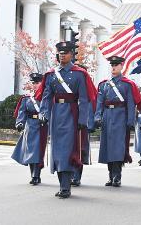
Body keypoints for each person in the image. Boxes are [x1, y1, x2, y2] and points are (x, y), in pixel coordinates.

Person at [35, 41, 96, 199]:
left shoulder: (79, 74)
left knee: (67, 150)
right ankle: (63, 184)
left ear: (72, 55)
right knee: (57, 150)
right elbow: (47, 97)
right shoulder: (51, 75)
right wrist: (44, 114)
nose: (62, 55)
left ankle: (65, 187)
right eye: (60, 52)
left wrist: (83, 119)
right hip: (56, 115)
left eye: (66, 52)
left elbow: (83, 99)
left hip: (72, 114)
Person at [94, 56, 141, 187]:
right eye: (112, 65)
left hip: (121, 117)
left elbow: (131, 104)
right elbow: (100, 102)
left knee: (118, 148)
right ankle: (110, 176)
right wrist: (97, 116)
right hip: (108, 116)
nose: (113, 67)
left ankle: (117, 176)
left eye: (116, 65)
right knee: (108, 147)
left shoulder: (127, 84)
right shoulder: (104, 84)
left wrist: (130, 120)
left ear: (121, 66)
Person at [11, 73, 47, 185]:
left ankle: (36, 175)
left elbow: (50, 110)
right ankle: (34, 175)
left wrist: (46, 118)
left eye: (37, 83)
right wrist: (20, 123)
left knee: (38, 150)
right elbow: (22, 112)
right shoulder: (27, 98)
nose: (35, 85)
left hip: (41, 126)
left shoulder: (46, 97)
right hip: (30, 126)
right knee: (30, 151)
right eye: (33, 83)